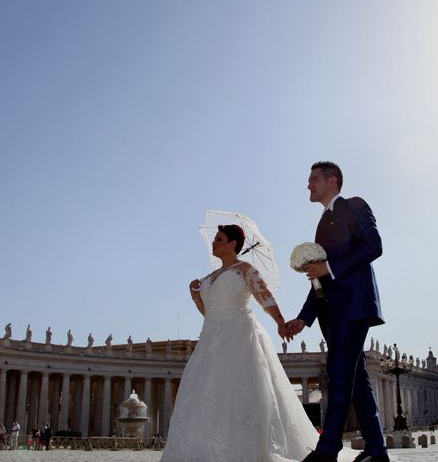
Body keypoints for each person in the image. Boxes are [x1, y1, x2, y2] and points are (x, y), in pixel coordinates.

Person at [161, 224, 319, 462]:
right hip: (211, 341)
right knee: (205, 395)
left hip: (239, 337)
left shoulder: (244, 269)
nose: (214, 242)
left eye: (219, 239)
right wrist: (196, 298)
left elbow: (264, 296)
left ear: (233, 243)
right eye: (214, 238)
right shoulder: (207, 278)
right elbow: (209, 314)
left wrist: (279, 321)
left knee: (238, 392)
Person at [285, 161, 388, 462]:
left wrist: (328, 267)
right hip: (332, 314)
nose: (308, 184)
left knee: (339, 374)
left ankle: (327, 452)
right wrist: (303, 318)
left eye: (313, 179)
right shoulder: (321, 224)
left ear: (333, 181)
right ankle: (377, 452)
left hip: (354, 306)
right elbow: (320, 279)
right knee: (357, 382)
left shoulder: (354, 205)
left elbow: (374, 246)